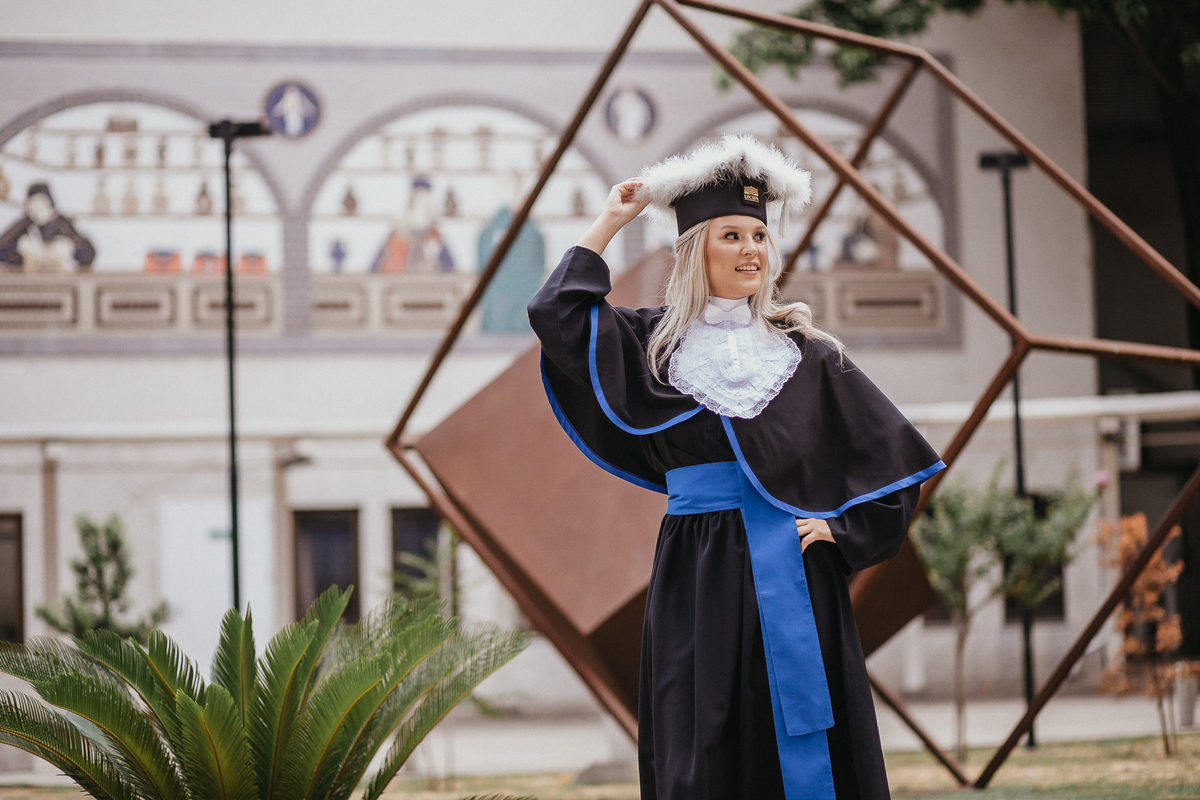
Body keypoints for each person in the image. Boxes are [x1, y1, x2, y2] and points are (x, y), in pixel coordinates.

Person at [528, 135, 944, 800]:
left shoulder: (804, 354)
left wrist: (842, 532)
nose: (751, 249)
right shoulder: (652, 347)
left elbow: (893, 461)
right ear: (697, 249)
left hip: (794, 569)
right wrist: (611, 220)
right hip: (696, 569)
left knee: (796, 744)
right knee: (701, 740)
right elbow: (556, 315)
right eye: (731, 235)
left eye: (759, 235)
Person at [0, 183, 95, 272]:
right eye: (33, 207)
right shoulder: (26, 224)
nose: (37, 212)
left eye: (42, 205)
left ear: (51, 205)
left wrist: (70, 250)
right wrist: (22, 258)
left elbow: (88, 253)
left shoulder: (61, 223)